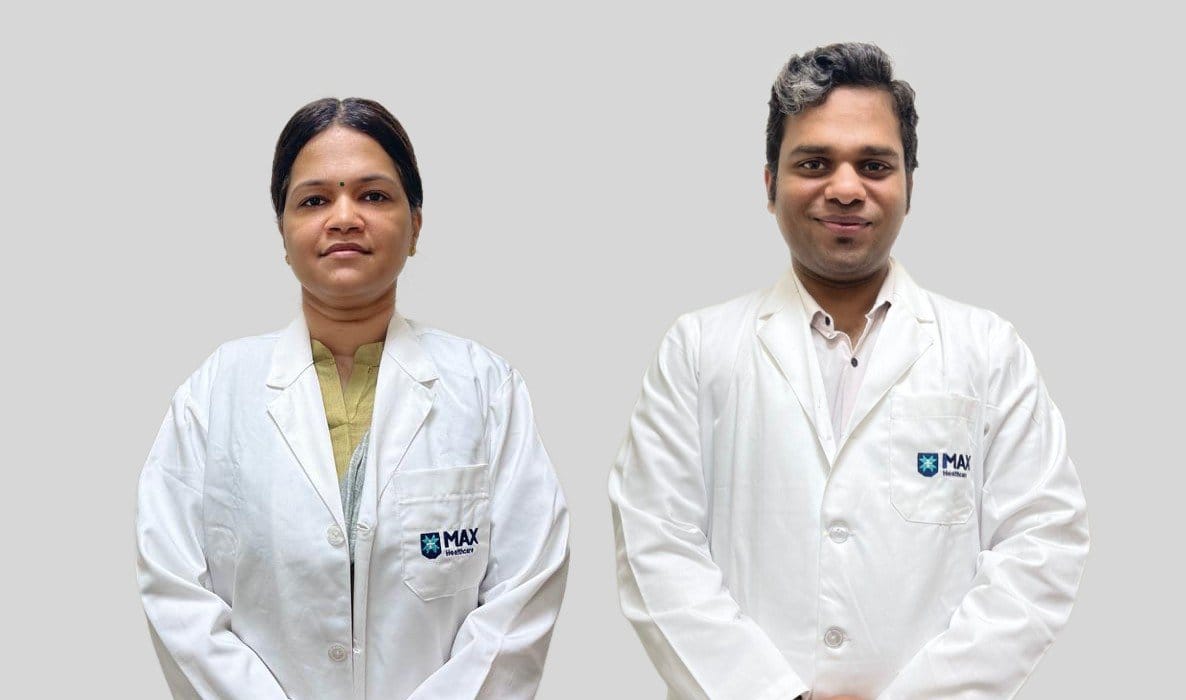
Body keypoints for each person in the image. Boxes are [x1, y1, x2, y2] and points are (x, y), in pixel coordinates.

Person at [609, 43, 1089, 699]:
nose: (844, 188)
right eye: (813, 163)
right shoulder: (696, 350)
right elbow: (654, 545)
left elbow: (1042, 543)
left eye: (874, 165)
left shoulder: (988, 350)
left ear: (910, 186)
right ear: (769, 184)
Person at [136, 98, 569, 699]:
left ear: (416, 226)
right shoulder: (214, 392)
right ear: (283, 232)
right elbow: (175, 590)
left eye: (373, 195)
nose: (344, 218)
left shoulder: (486, 388)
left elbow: (523, 593)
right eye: (314, 200)